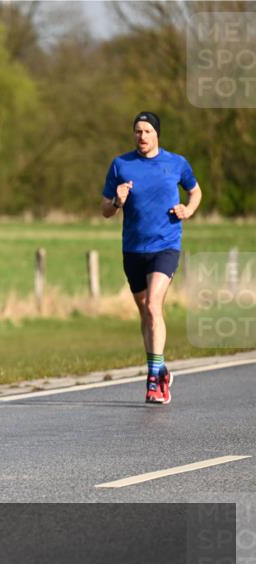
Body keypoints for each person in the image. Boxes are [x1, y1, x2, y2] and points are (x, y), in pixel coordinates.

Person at [101, 111, 201, 404]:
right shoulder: (120, 165)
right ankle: (159, 368)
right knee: (145, 311)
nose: (142, 136)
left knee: (154, 306)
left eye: (147, 131)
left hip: (165, 245)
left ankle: (154, 380)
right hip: (133, 248)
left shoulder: (176, 163)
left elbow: (195, 192)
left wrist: (188, 210)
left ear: (157, 134)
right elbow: (105, 210)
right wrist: (117, 200)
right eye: (137, 131)